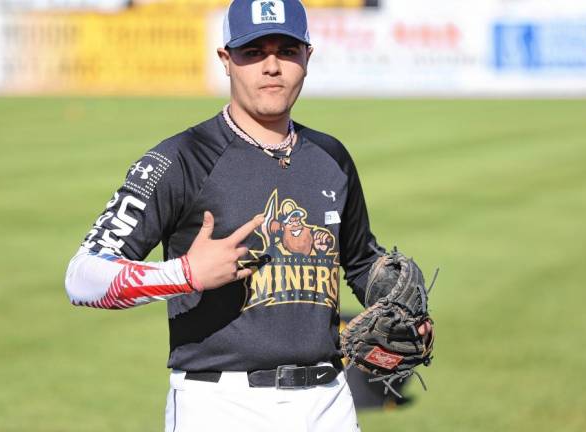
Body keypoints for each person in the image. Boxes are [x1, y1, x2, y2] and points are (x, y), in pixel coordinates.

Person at [65, 1, 430, 430]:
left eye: (287, 51)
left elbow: (361, 260)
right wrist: (184, 274)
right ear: (226, 59)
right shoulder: (180, 159)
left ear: (308, 57)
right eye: (253, 51)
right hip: (219, 404)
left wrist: (400, 306)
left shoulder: (331, 157)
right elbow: (82, 276)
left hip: (328, 404)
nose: (271, 66)